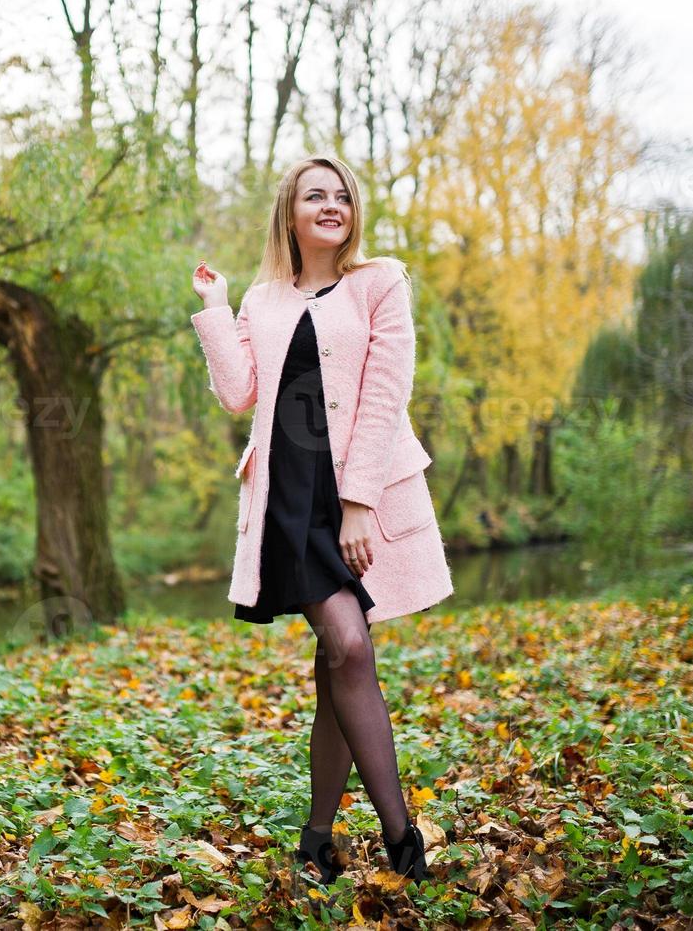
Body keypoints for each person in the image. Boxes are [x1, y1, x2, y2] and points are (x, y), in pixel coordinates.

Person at [189, 155, 455, 885]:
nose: (331, 205)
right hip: (287, 505)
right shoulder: (263, 297)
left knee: (337, 662)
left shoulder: (380, 282)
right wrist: (214, 310)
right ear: (291, 213)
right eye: (315, 195)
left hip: (350, 495)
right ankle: (404, 843)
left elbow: (384, 393)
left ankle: (316, 839)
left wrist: (360, 501)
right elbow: (239, 394)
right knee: (348, 646)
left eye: (341, 195)